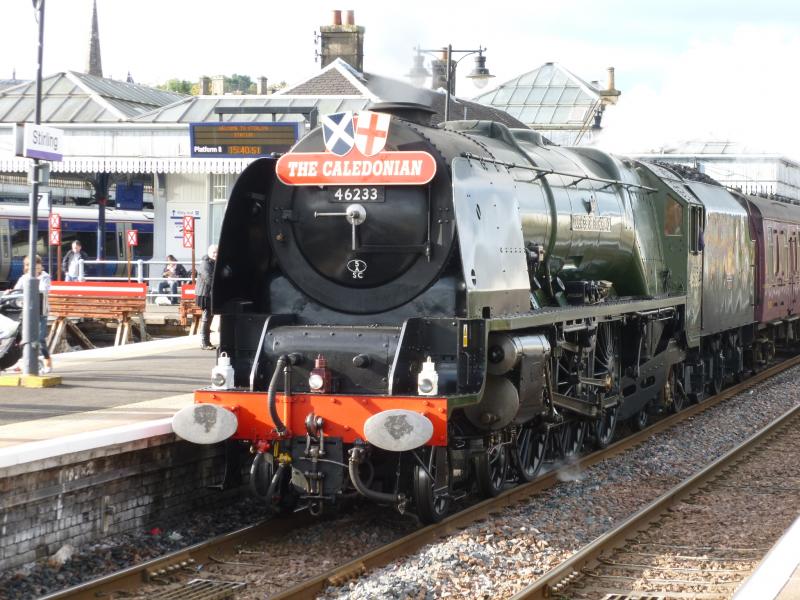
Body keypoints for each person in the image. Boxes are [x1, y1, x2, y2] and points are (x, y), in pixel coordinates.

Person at [9, 255, 53, 373]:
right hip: (27, 311)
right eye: (31, 266)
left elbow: (44, 289)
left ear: (40, 266)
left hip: (41, 311)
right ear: (27, 267)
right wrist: (11, 291)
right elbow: (17, 289)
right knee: (25, 338)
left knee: (40, 338)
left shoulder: (45, 277)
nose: (35, 269)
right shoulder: (24, 277)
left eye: (37, 266)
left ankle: (47, 360)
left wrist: (31, 286)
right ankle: (23, 363)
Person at [196, 244, 217, 350]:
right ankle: (204, 342)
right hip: (204, 294)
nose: (216, 254)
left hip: (210, 293)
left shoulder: (214, 263)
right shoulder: (205, 263)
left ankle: (207, 342)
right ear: (209, 253)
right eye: (214, 252)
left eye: (217, 252)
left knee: (209, 317)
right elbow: (208, 278)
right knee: (206, 318)